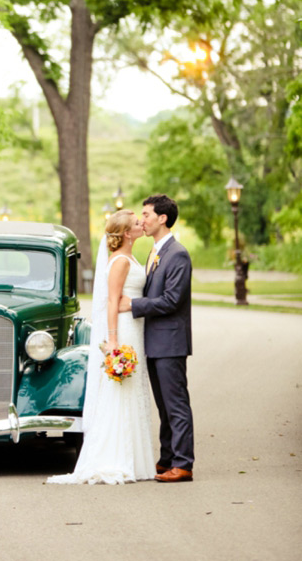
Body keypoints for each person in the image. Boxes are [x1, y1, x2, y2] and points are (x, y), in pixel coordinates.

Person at [47, 209, 155, 485]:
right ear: (127, 233)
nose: (141, 224)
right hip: (124, 329)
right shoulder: (119, 261)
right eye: (136, 222)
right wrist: (114, 341)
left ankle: (136, 459)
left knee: (130, 391)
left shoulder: (129, 256)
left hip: (135, 327)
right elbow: (111, 302)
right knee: (121, 391)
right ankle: (116, 457)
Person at [119, 193, 194, 483]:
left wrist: (133, 305)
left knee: (176, 404)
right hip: (153, 341)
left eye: (147, 214)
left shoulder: (178, 254)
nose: (142, 219)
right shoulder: (155, 252)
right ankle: (166, 459)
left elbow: (172, 300)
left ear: (163, 218)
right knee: (163, 405)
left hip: (171, 342)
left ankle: (184, 463)